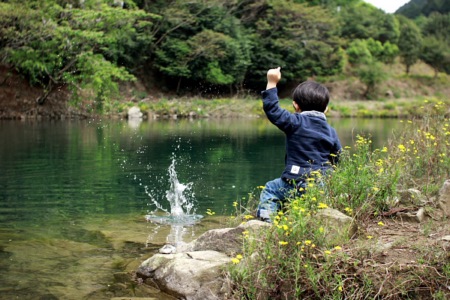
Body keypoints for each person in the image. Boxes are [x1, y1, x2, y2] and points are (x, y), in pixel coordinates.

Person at [257, 67, 342, 222]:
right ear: (326, 108)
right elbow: (338, 159)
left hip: (295, 182)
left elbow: (272, 109)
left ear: (295, 105)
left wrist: (271, 82)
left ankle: (266, 223)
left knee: (271, 189)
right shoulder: (331, 131)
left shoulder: (295, 122)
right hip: (321, 186)